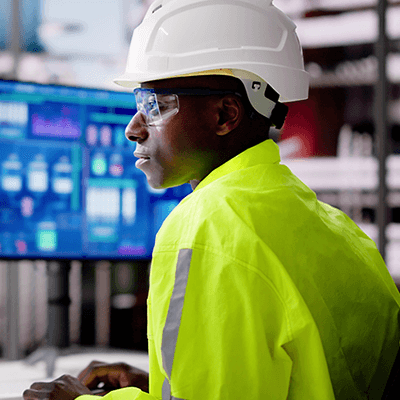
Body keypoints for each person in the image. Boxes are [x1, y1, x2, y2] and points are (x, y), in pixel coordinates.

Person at [23, 0, 400, 399]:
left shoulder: (206, 227)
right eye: (138, 103)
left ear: (225, 115)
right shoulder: (338, 228)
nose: (133, 128)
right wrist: (165, 381)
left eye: (154, 105)